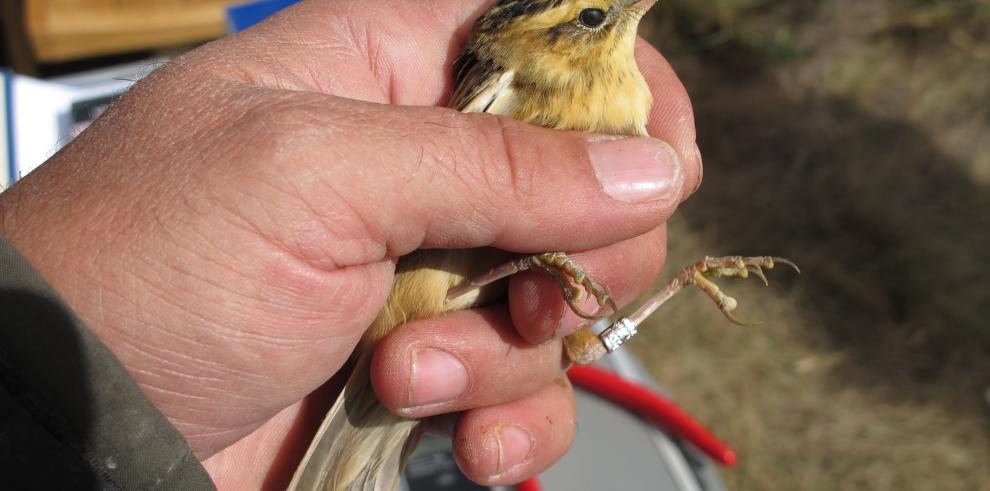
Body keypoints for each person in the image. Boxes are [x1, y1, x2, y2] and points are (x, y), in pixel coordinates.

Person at [0, 1, 701, 489]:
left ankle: (648, 302)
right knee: (535, 324)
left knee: (547, 330)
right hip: (402, 322)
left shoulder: (620, 88)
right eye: (592, 17)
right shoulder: (506, 84)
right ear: (551, 47)